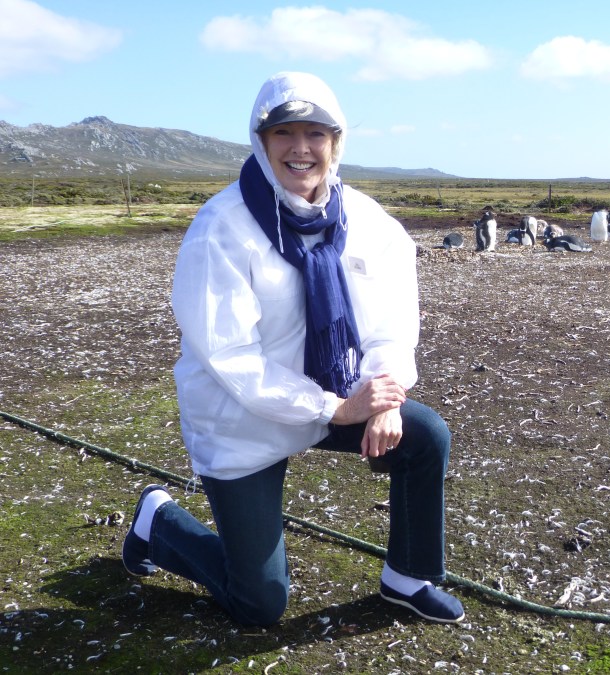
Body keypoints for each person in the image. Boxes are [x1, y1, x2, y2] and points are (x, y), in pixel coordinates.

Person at [121, 71, 464, 626]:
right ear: (261, 141)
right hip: (243, 420)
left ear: (336, 142)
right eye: (284, 132)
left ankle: (407, 576)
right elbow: (232, 358)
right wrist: (336, 409)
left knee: (424, 435)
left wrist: (384, 396)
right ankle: (157, 521)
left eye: (315, 133)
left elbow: (392, 325)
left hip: (330, 396)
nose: (300, 148)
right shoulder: (222, 228)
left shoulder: (368, 222)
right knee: (258, 604)